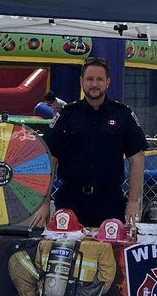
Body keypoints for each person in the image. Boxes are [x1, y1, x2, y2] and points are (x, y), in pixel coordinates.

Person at [33, 57, 146, 229]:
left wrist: (132, 202)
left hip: (110, 202)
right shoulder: (66, 115)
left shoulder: (123, 115)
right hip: (70, 202)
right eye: (90, 79)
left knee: (110, 254)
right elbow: (50, 160)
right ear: (81, 81)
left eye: (99, 79)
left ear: (108, 82)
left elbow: (137, 160)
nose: (94, 84)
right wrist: (44, 203)